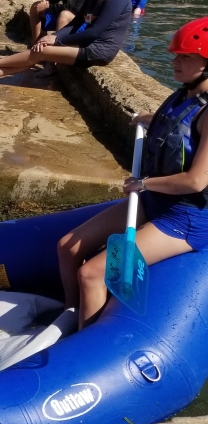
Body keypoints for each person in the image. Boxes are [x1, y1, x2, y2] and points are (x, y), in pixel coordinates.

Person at [57, 16, 208, 329]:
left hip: (186, 217)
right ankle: (70, 318)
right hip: (157, 201)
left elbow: (196, 181)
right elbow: (178, 126)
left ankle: (87, 347)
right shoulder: (186, 94)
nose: (175, 62)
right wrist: (151, 118)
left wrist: (142, 183)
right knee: (67, 246)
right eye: (176, 54)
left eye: (185, 57)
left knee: (92, 273)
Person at [0, 0, 132, 83]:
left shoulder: (117, 1)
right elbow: (75, 23)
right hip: (86, 45)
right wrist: (55, 37)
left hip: (99, 51)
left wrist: (58, 40)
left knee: (41, 52)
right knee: (42, 48)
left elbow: (93, 33)